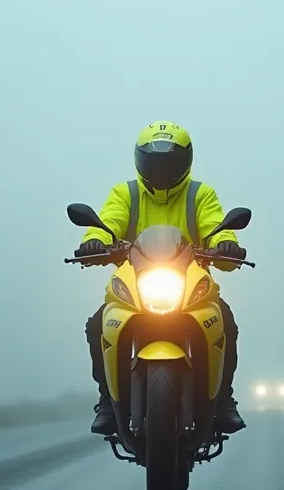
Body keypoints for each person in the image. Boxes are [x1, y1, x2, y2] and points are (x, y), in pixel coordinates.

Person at [76, 120, 248, 436]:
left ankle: (224, 401)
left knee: (225, 321)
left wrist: (227, 245)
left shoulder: (200, 194)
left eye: (170, 162)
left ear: (186, 161)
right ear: (140, 161)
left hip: (190, 286)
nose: (161, 169)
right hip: (135, 284)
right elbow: (108, 222)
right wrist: (95, 241)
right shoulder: (125, 193)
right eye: (154, 163)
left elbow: (214, 227)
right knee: (98, 325)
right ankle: (106, 401)